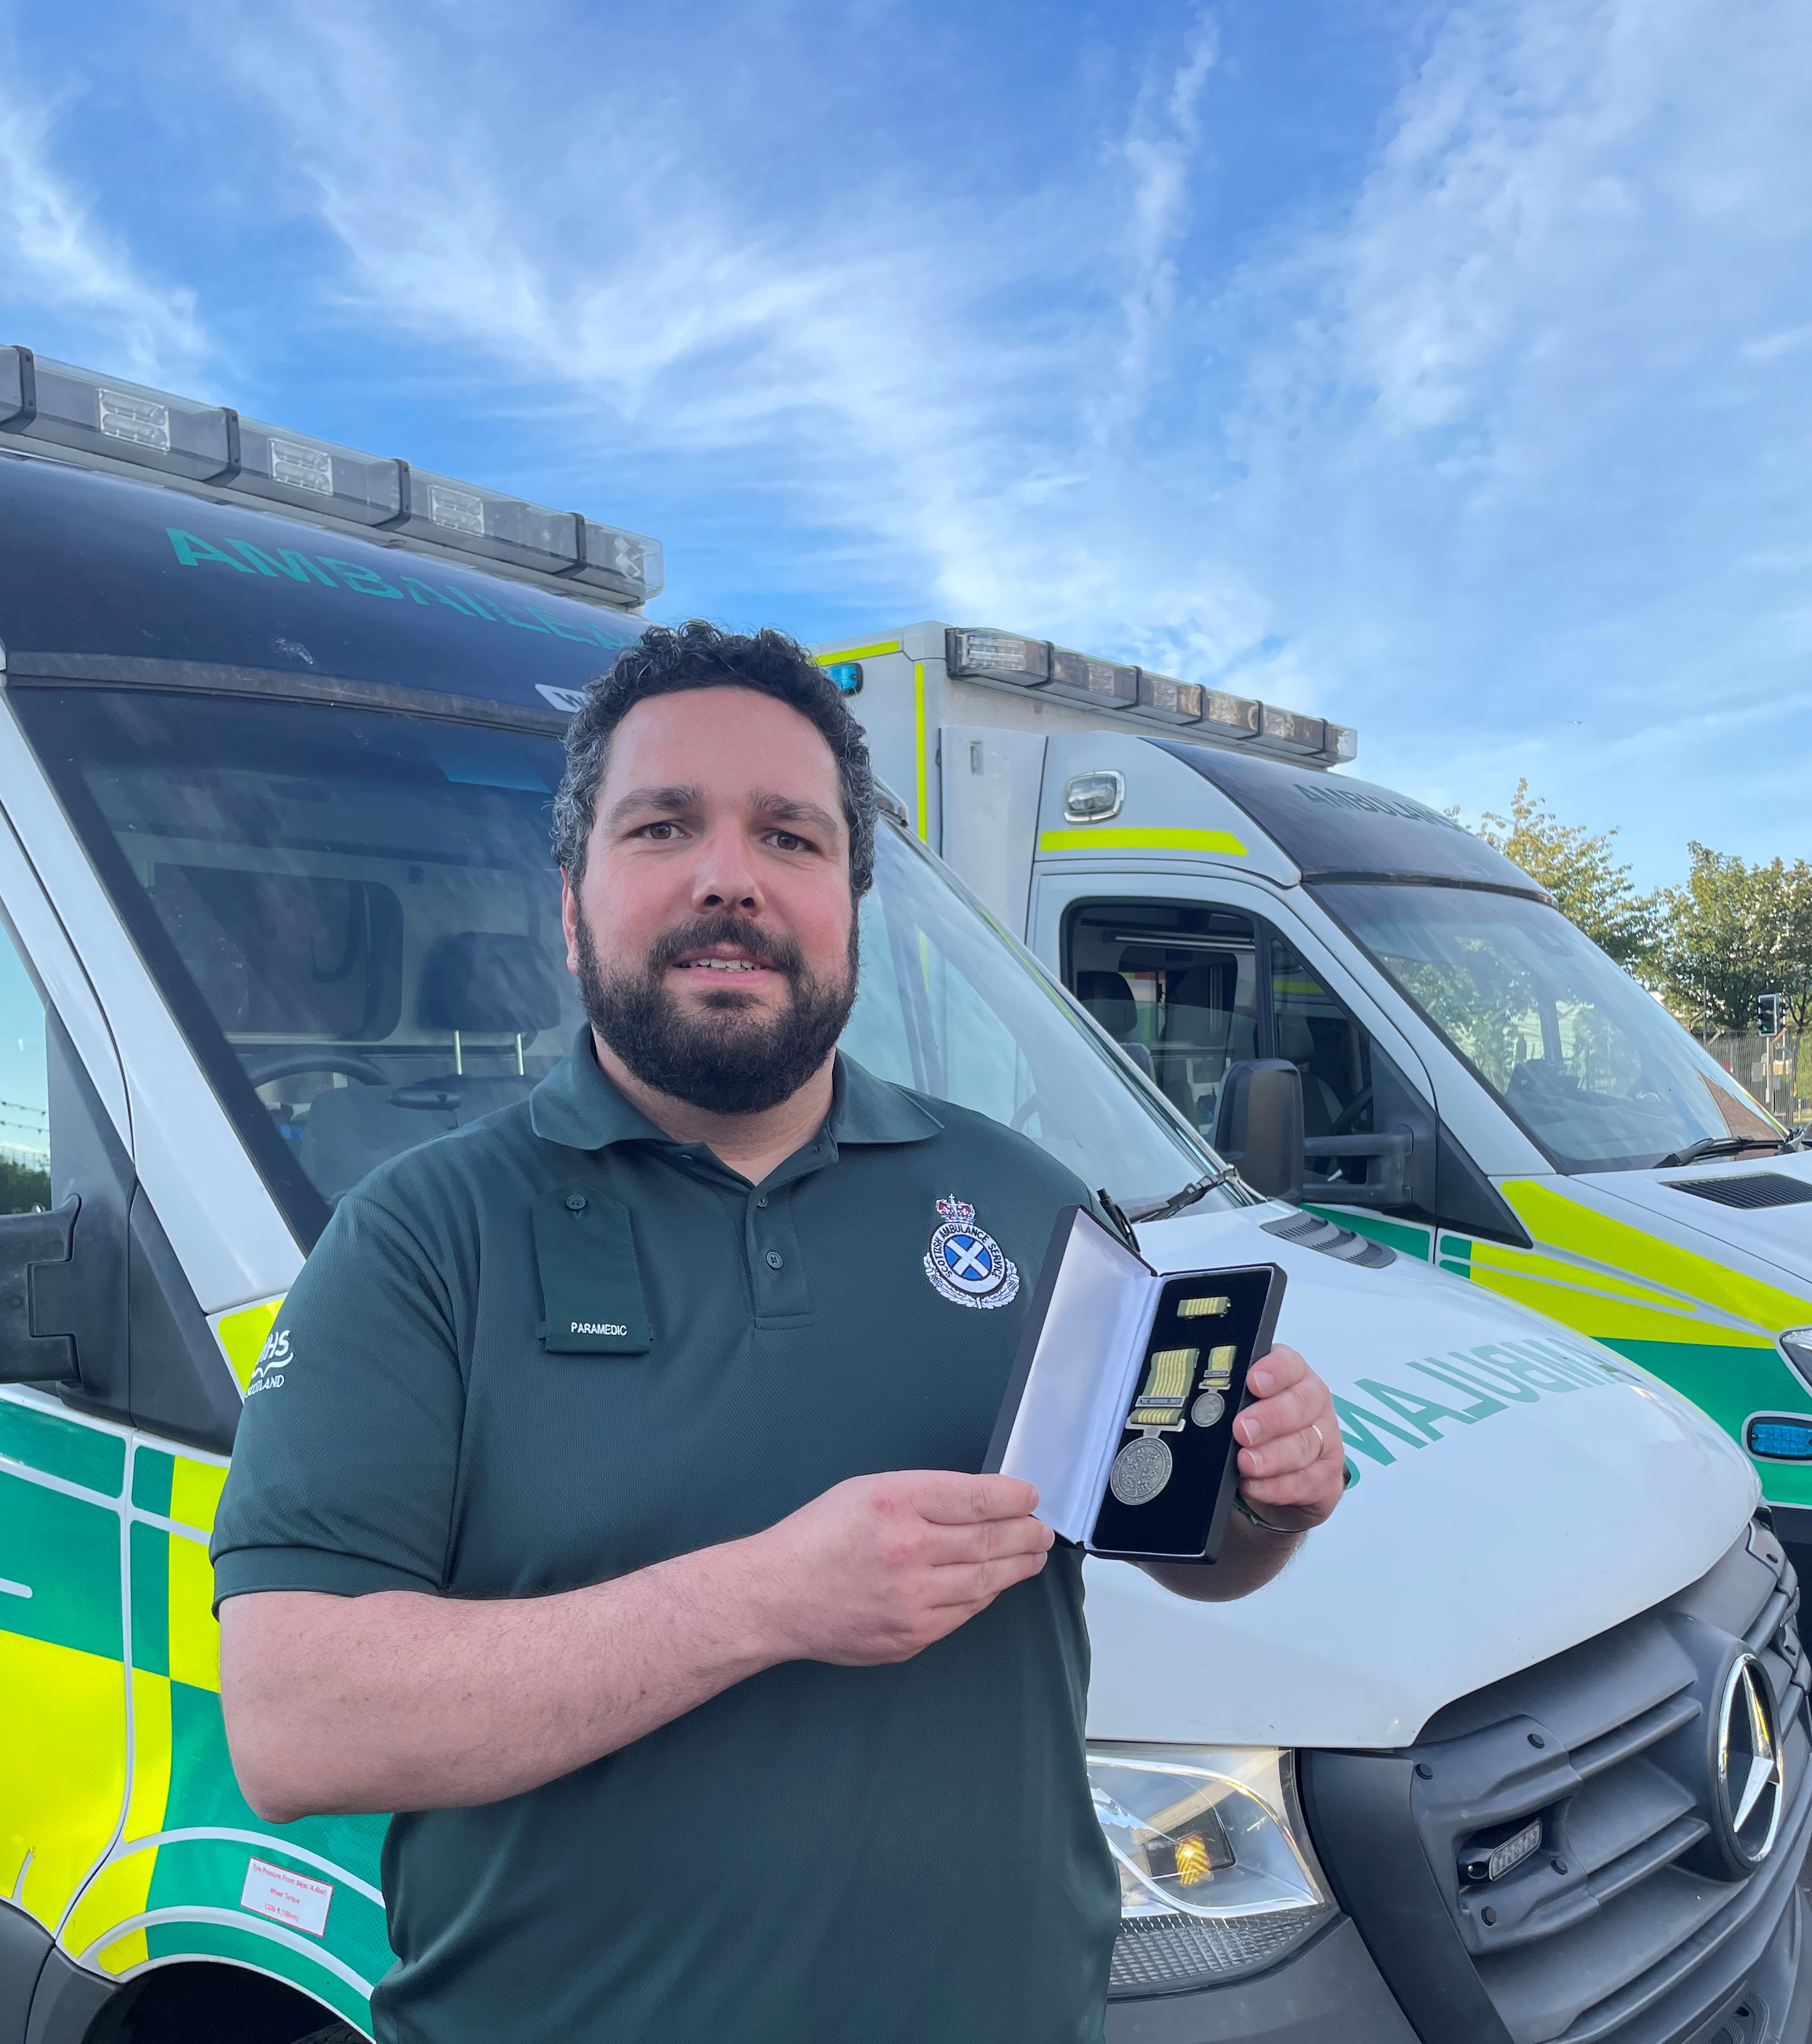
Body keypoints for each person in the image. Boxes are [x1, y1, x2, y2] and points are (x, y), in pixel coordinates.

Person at [212, 621, 1347, 2044]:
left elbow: (1179, 1543)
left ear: (850, 906)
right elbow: (296, 1723)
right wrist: (763, 1603)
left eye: (790, 837)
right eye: (662, 826)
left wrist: (1266, 1502)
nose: (729, 877)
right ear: (570, 904)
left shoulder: (1026, 1199)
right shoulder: (421, 1237)